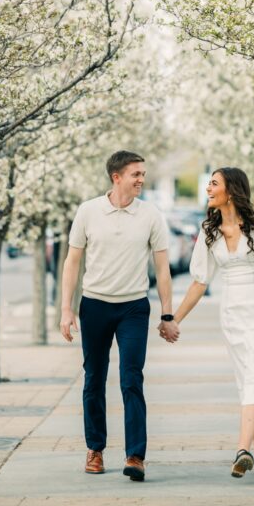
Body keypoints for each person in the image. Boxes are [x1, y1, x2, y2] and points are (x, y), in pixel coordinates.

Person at [166, 167, 254, 478]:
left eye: (214, 183)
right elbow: (199, 282)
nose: (208, 188)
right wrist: (173, 319)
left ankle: (241, 449)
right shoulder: (209, 231)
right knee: (250, 385)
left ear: (231, 190)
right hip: (234, 314)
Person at [60, 151, 176, 481]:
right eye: (135, 174)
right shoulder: (88, 211)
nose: (141, 179)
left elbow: (162, 267)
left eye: (143, 174)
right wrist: (67, 309)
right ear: (116, 177)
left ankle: (135, 455)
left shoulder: (151, 214)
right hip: (95, 305)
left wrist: (168, 314)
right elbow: (72, 262)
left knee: (131, 379)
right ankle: (95, 449)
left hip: (133, 308)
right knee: (94, 379)